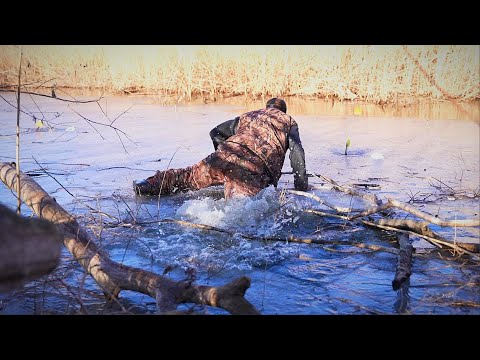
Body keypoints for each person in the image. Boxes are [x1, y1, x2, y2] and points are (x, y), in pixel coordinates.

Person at [133, 98, 308, 199]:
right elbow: (297, 153)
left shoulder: (248, 115)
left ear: (266, 106)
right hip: (253, 169)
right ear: (283, 110)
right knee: (239, 211)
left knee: (187, 176)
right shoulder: (287, 121)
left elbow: (215, 132)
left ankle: (148, 184)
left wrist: (223, 157)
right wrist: (301, 186)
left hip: (224, 156)